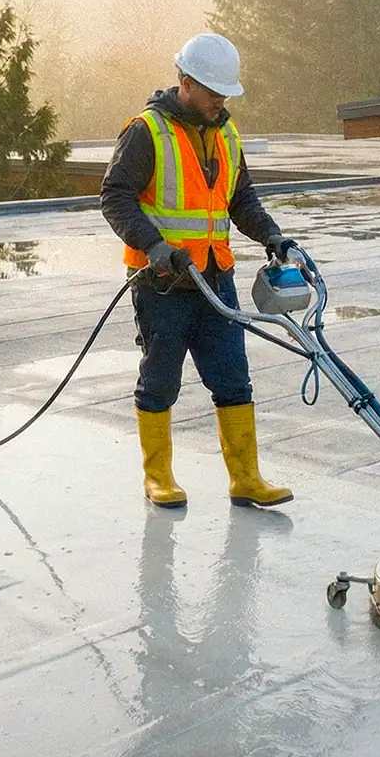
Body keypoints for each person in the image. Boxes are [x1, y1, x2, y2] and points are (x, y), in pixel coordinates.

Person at [100, 32, 299, 510]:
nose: (221, 101)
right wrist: (155, 246)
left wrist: (271, 235)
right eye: (213, 93)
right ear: (185, 83)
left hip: (216, 279)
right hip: (163, 285)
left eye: (225, 93)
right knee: (161, 380)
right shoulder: (146, 131)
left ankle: (246, 478)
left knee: (233, 378)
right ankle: (158, 478)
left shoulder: (226, 133)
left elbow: (241, 200)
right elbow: (114, 197)